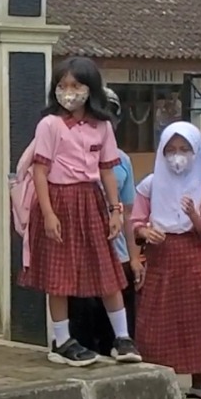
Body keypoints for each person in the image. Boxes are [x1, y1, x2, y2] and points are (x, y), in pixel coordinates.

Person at [22, 57, 141, 367]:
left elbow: (107, 171)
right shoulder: (49, 124)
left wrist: (115, 211)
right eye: (62, 86)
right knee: (58, 273)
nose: (69, 92)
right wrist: (48, 213)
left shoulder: (101, 127)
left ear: (90, 89)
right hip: (59, 200)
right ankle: (61, 340)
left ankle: (123, 338)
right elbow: (40, 171)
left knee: (106, 269)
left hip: (91, 202)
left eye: (76, 86)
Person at [131, 122, 201, 397]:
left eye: (184, 149)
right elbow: (135, 221)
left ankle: (197, 384)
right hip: (161, 256)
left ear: (196, 151)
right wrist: (145, 231)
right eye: (170, 150)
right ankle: (155, 379)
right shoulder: (150, 184)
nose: (177, 155)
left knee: (195, 319)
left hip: (192, 256)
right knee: (156, 318)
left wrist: (196, 218)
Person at [70, 87, 139, 357]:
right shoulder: (71, 157)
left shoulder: (123, 162)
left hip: (117, 254)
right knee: (84, 333)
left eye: (109, 117)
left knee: (118, 336)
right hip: (82, 255)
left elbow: (129, 213)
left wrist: (133, 258)